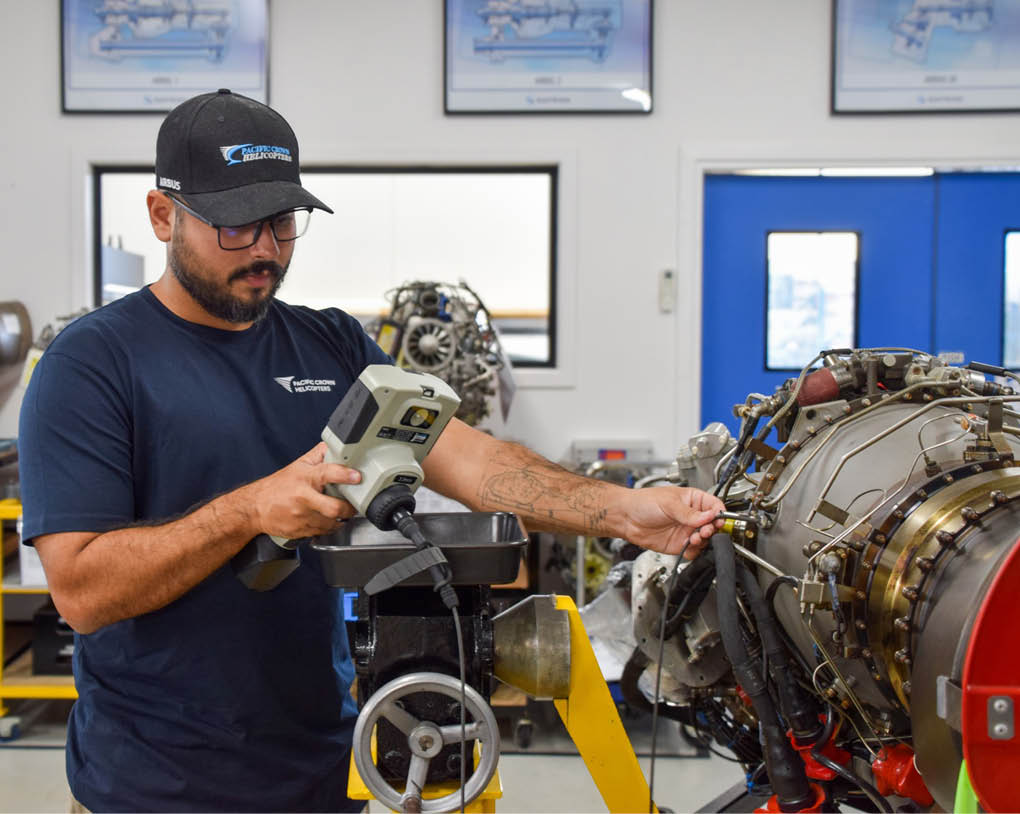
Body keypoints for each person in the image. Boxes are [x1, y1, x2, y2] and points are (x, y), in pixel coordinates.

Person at [18, 89, 724, 813]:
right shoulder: (93, 364)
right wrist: (247, 512)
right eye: (234, 226)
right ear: (163, 215)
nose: (265, 249)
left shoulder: (329, 342)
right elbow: (82, 591)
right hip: (153, 790)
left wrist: (628, 513)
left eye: (282, 222)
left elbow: (475, 462)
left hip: (330, 771)